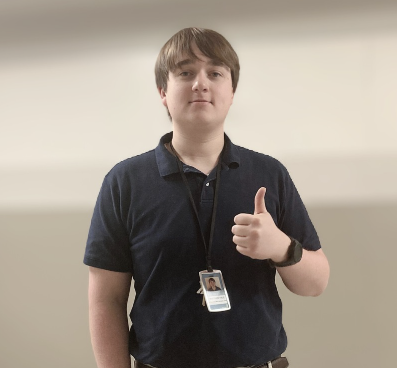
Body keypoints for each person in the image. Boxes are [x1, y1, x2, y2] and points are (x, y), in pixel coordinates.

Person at [84, 27, 330, 368]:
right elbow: (105, 300)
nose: (201, 83)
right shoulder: (124, 182)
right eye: (185, 72)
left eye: (215, 73)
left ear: (232, 92)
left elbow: (316, 283)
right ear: (163, 91)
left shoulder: (269, 174)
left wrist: (281, 248)